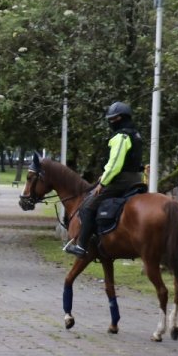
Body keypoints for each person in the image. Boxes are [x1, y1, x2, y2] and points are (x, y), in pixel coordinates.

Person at [65, 101, 145, 257]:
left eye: (114, 119)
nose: (111, 122)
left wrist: (103, 182)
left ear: (122, 118)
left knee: (87, 206)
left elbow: (115, 164)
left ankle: (81, 246)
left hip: (121, 180)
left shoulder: (121, 136)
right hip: (136, 177)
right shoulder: (135, 134)